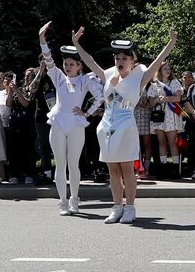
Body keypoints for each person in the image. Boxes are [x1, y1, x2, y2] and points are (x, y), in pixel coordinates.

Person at [71, 27, 176, 223]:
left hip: (126, 124)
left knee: (127, 169)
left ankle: (130, 207)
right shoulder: (108, 74)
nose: (120, 61)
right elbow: (90, 62)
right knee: (113, 170)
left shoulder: (139, 77)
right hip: (107, 126)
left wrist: (170, 43)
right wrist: (77, 44)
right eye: (117, 58)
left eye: (124, 58)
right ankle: (117, 207)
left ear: (131, 61)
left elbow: (157, 62)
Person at [38, 22, 104, 215]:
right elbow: (49, 60)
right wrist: (42, 39)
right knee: (60, 164)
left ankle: (75, 199)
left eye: (71, 64)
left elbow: (100, 97)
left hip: (76, 125)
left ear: (79, 66)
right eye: (66, 63)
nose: (67, 67)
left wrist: (87, 112)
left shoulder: (85, 79)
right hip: (58, 123)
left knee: (73, 164)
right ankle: (63, 201)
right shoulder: (58, 77)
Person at [152, 60, 186, 181]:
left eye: (169, 69)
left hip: (171, 115)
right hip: (160, 116)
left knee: (172, 142)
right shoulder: (155, 84)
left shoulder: (174, 82)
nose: (167, 71)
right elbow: (151, 103)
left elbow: (178, 98)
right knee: (161, 143)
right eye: (165, 69)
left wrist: (165, 99)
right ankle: (163, 168)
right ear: (160, 71)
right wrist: (158, 100)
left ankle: (175, 169)